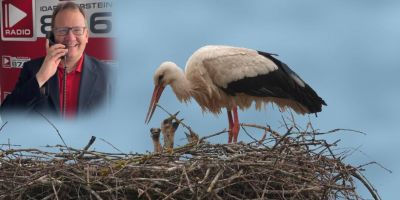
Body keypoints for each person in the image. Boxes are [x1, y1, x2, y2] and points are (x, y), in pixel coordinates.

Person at [0, 2, 111, 119]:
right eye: (62, 30)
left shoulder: (107, 73)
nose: (70, 38)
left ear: (86, 36)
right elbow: (6, 115)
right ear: (52, 36)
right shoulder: (32, 69)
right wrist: (41, 77)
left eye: (77, 30)